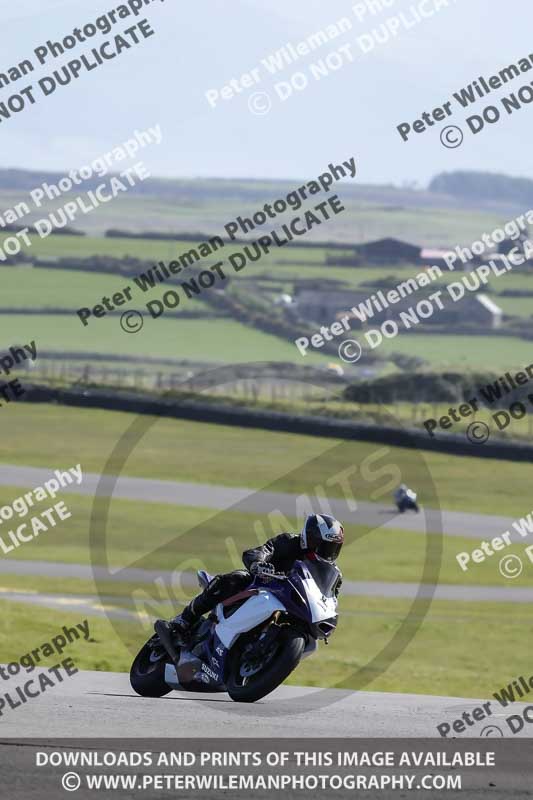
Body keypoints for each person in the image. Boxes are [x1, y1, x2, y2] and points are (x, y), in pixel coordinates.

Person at [164, 513, 344, 642]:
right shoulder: (289, 542)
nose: (322, 550)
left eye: (330, 547)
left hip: (293, 603)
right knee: (236, 578)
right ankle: (184, 619)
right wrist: (258, 564)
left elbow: (330, 597)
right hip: (263, 585)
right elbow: (260, 551)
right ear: (307, 536)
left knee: (309, 640)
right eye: (319, 543)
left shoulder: (333, 573)